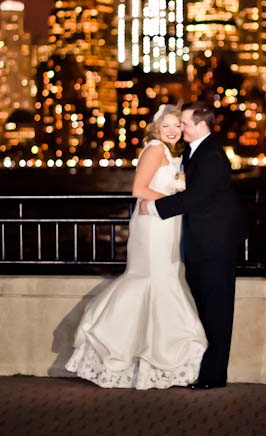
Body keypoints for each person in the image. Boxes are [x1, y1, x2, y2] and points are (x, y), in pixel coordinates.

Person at [65, 104, 207, 389]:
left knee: (164, 280)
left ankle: (152, 361)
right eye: (166, 125)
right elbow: (139, 189)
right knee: (152, 280)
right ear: (156, 128)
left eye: (177, 125)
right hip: (153, 226)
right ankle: (121, 346)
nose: (172, 130)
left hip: (166, 223)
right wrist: (176, 202)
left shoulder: (170, 151)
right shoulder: (155, 149)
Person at [139, 101, 243, 390]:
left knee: (217, 312)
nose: (180, 128)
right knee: (205, 310)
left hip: (215, 245)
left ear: (201, 124)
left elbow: (196, 197)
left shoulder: (211, 155)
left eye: (184, 123)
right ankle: (202, 370)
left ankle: (214, 377)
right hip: (201, 244)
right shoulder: (194, 151)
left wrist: (154, 207)